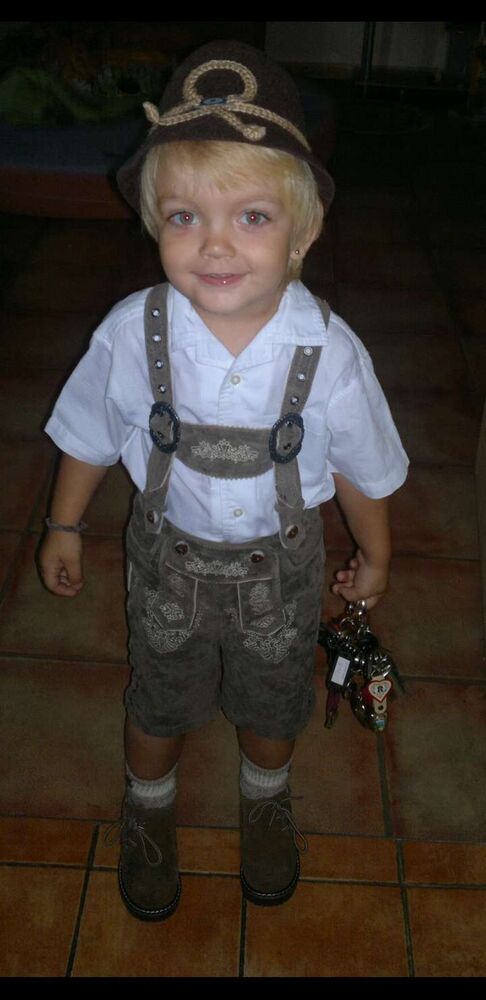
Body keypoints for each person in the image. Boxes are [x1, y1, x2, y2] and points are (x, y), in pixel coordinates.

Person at [38, 40, 408, 922]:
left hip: (282, 574)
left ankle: (266, 798)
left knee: (274, 703)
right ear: (153, 223)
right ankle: (148, 806)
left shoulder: (328, 352)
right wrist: (63, 524)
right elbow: (91, 431)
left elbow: (361, 465)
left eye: (251, 217)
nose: (213, 244)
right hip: (168, 565)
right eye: (183, 216)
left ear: (303, 232)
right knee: (157, 699)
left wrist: (377, 555)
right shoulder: (133, 333)